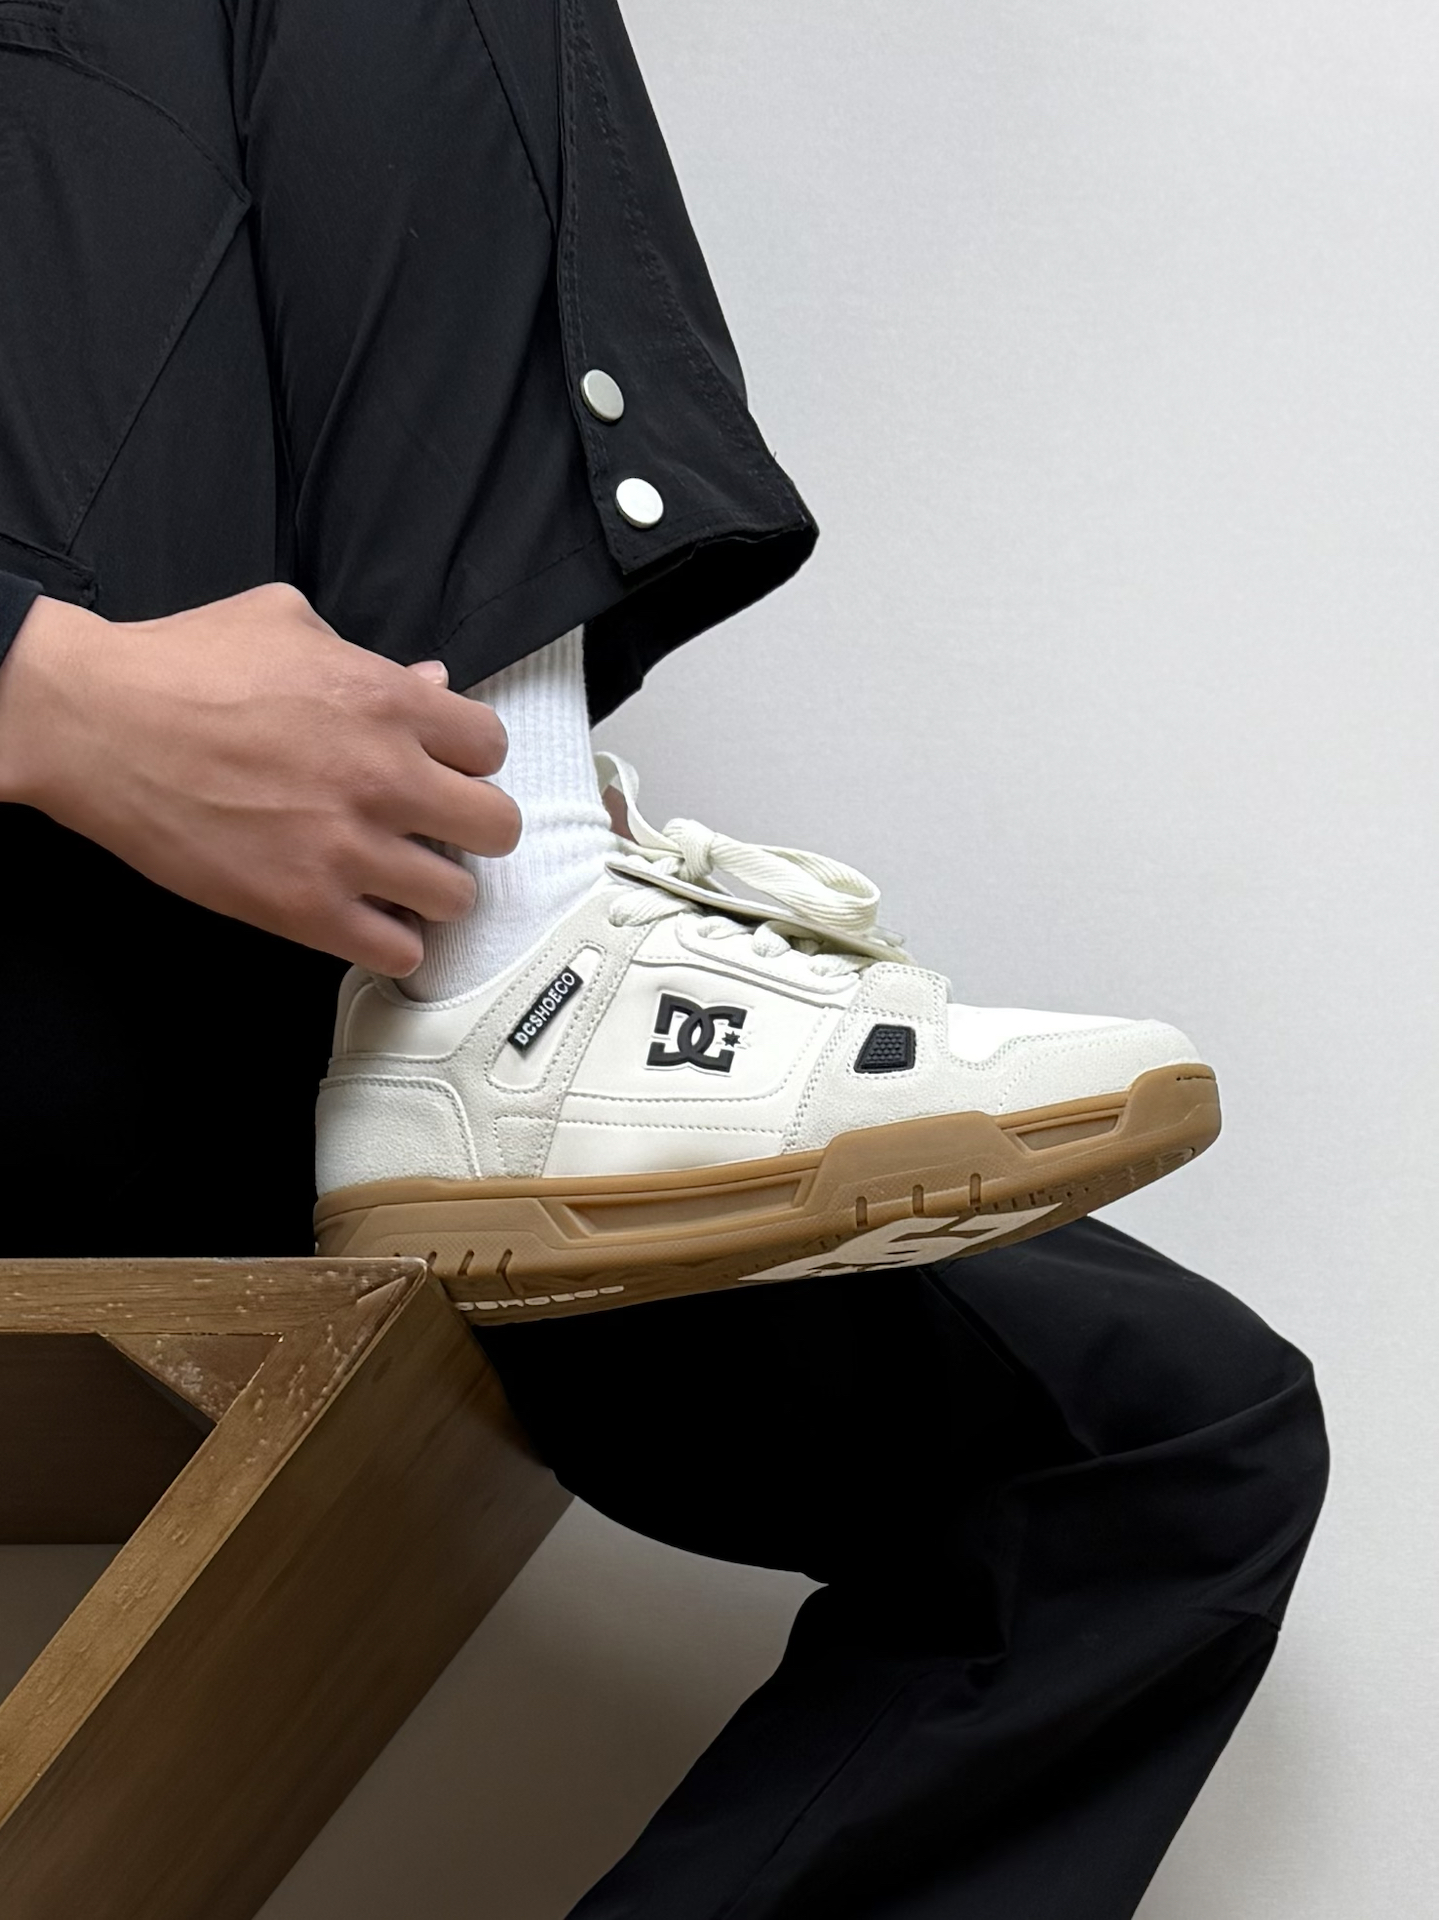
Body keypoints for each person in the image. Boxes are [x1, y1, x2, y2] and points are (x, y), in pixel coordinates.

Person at [0, 3, 1327, 1915]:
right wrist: (45, 696)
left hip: (225, 1003)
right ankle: (522, 950)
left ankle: (510, 960)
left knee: (1152, 1448)